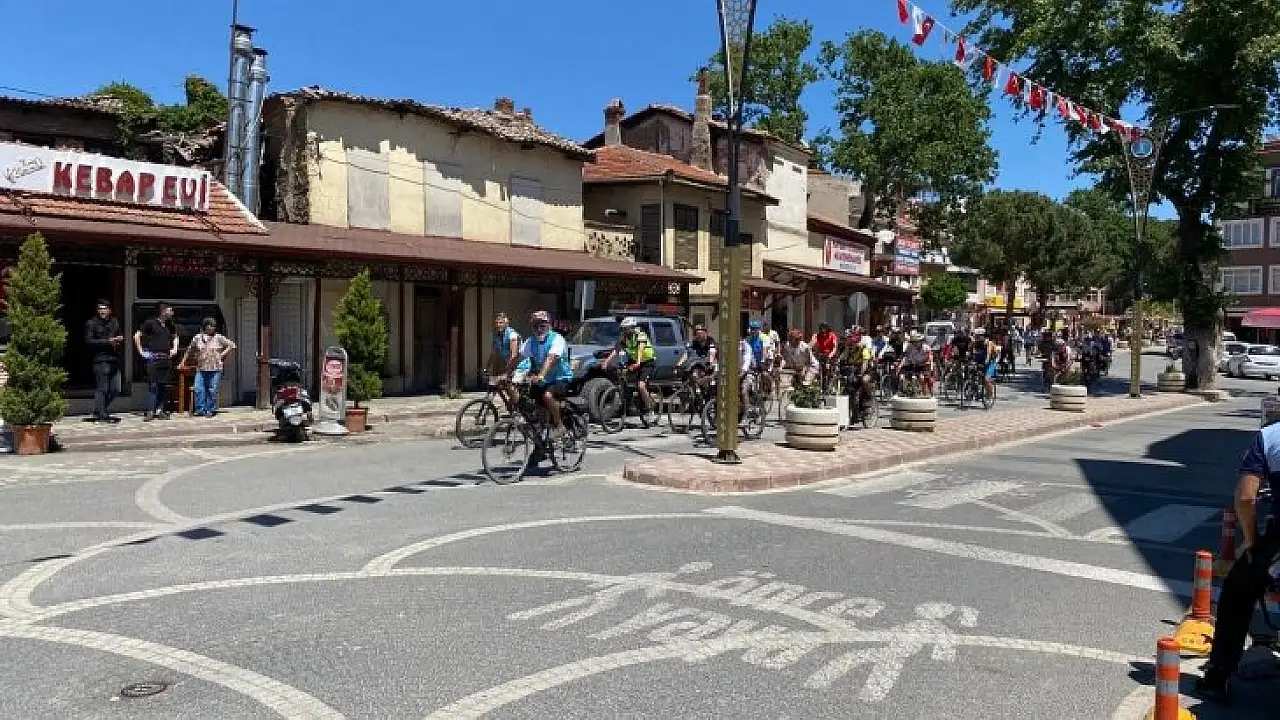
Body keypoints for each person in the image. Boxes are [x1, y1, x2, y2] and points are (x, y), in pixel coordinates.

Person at [1197, 418, 1280, 702]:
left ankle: (1217, 676)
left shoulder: (1270, 437)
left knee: (1237, 591)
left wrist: (1251, 540)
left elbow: (1245, 498)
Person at [517, 310, 575, 437]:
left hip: (560, 378)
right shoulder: (530, 341)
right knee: (528, 399)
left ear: (549, 325)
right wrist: (507, 374)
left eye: (542, 325)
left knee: (548, 396)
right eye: (535, 326)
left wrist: (541, 375)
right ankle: (542, 429)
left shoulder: (557, 339)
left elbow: (550, 359)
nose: (539, 329)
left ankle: (559, 425)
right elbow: (519, 358)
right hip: (543, 380)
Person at [180, 318, 236, 417]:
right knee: (198, 389)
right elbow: (189, 350)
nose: (212, 328)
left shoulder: (218, 337)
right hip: (201, 367)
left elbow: (232, 345)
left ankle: (210, 409)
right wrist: (183, 362)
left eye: (214, 326)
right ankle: (200, 409)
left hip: (215, 368)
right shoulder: (197, 337)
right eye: (210, 325)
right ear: (205, 326)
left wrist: (222, 354)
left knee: (212, 389)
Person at [134, 302, 178, 421]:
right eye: (170, 309)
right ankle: (150, 411)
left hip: (166, 359)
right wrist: (141, 351)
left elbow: (175, 337)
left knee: (163, 386)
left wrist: (175, 348)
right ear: (163, 311)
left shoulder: (170, 325)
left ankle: (160, 410)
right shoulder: (151, 323)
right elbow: (137, 335)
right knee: (153, 386)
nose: (172, 312)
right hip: (154, 359)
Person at [604, 317, 656, 416]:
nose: (624, 330)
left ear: (632, 328)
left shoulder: (640, 334)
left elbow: (640, 349)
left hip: (647, 361)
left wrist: (638, 363)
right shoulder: (624, 337)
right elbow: (617, 350)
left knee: (641, 386)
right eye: (623, 328)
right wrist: (607, 361)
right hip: (634, 360)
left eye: (626, 328)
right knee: (622, 376)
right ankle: (628, 402)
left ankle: (649, 408)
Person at [83, 299, 124, 423]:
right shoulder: (91, 323)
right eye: (100, 309)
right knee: (102, 389)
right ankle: (102, 414)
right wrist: (108, 341)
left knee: (116, 389)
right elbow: (89, 341)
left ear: (109, 310)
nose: (102, 311)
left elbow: (119, 336)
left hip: (114, 359)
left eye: (104, 309)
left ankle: (99, 410)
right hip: (100, 360)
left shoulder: (115, 322)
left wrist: (119, 340)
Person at [487, 312, 521, 409]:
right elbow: (494, 353)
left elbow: (514, 355)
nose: (498, 325)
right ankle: (513, 403)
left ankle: (519, 407)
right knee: (501, 383)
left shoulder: (512, 334)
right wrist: (487, 367)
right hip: (509, 364)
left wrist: (507, 372)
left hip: (520, 365)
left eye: (501, 323)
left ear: (506, 323)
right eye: (497, 323)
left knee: (510, 385)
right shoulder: (497, 336)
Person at [677, 324, 718, 390]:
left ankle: (712, 387)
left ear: (705, 333)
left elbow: (712, 352)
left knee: (714, 371)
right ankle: (697, 390)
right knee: (693, 373)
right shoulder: (695, 342)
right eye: (697, 334)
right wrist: (679, 364)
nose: (699, 336)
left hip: (714, 362)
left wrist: (710, 363)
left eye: (700, 333)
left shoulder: (710, 341)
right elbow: (687, 353)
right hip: (703, 364)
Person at [896, 330, 935, 395]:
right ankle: (916, 391)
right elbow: (908, 358)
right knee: (914, 377)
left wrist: (931, 367)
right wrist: (901, 365)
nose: (915, 343)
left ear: (921, 342)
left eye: (917, 342)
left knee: (924, 378)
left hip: (926, 365)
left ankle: (927, 390)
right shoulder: (912, 349)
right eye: (914, 342)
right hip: (917, 365)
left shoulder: (926, 347)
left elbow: (931, 357)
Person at [972, 327, 999, 397]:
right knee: (973, 374)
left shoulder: (988, 343)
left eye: (978, 336)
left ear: (983, 336)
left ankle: (990, 394)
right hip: (979, 362)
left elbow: (988, 354)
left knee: (986, 379)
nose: (976, 337)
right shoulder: (975, 343)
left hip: (991, 363)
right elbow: (971, 352)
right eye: (976, 336)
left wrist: (986, 361)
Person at [811, 322, 839, 387]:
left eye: (824, 328)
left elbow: (835, 347)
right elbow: (813, 343)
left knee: (828, 368)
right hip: (821, 355)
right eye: (821, 328)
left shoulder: (832, 336)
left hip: (830, 355)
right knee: (816, 367)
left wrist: (830, 355)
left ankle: (829, 382)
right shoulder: (817, 335)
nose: (822, 329)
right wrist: (811, 346)